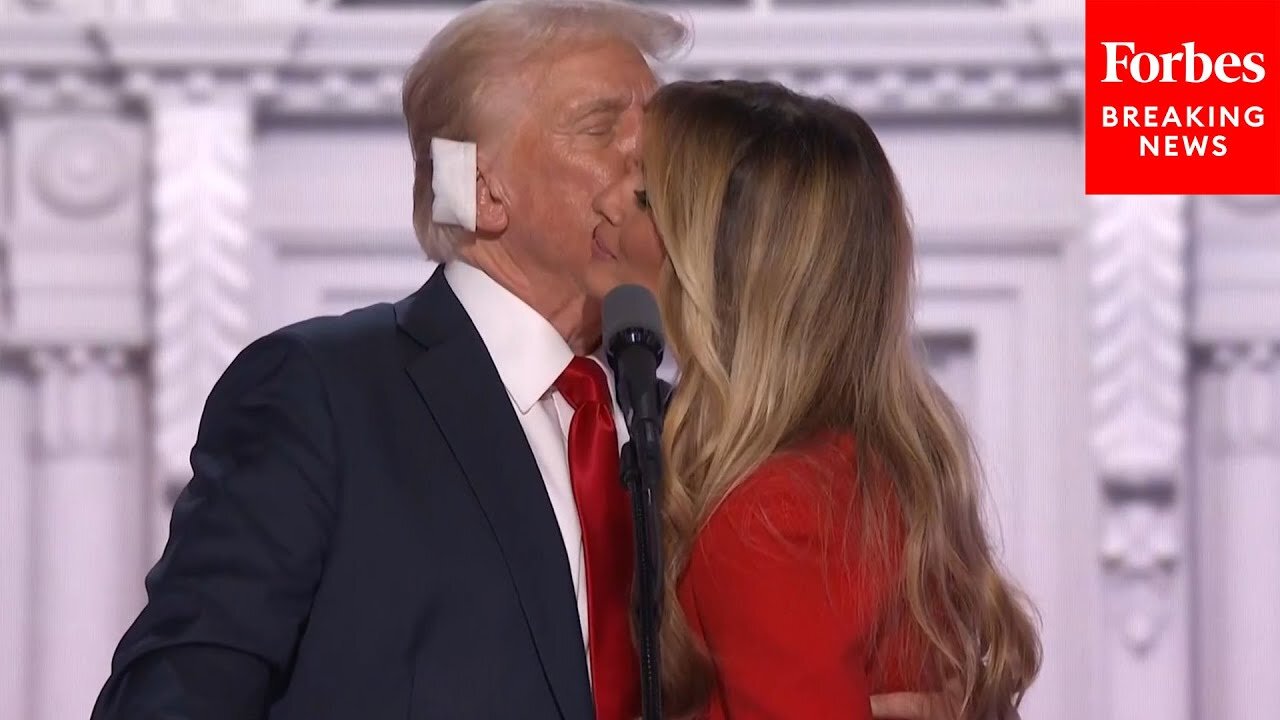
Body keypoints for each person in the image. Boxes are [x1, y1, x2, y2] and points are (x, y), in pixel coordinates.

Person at [91, 2, 684, 718]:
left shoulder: (686, 428)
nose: (649, 163)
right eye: (600, 127)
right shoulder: (322, 396)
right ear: (481, 188)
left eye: (658, 133)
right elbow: (176, 699)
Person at [581, 79, 1043, 719]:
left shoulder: (767, 517)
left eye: (645, 198)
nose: (603, 202)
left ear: (729, 265)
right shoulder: (868, 472)